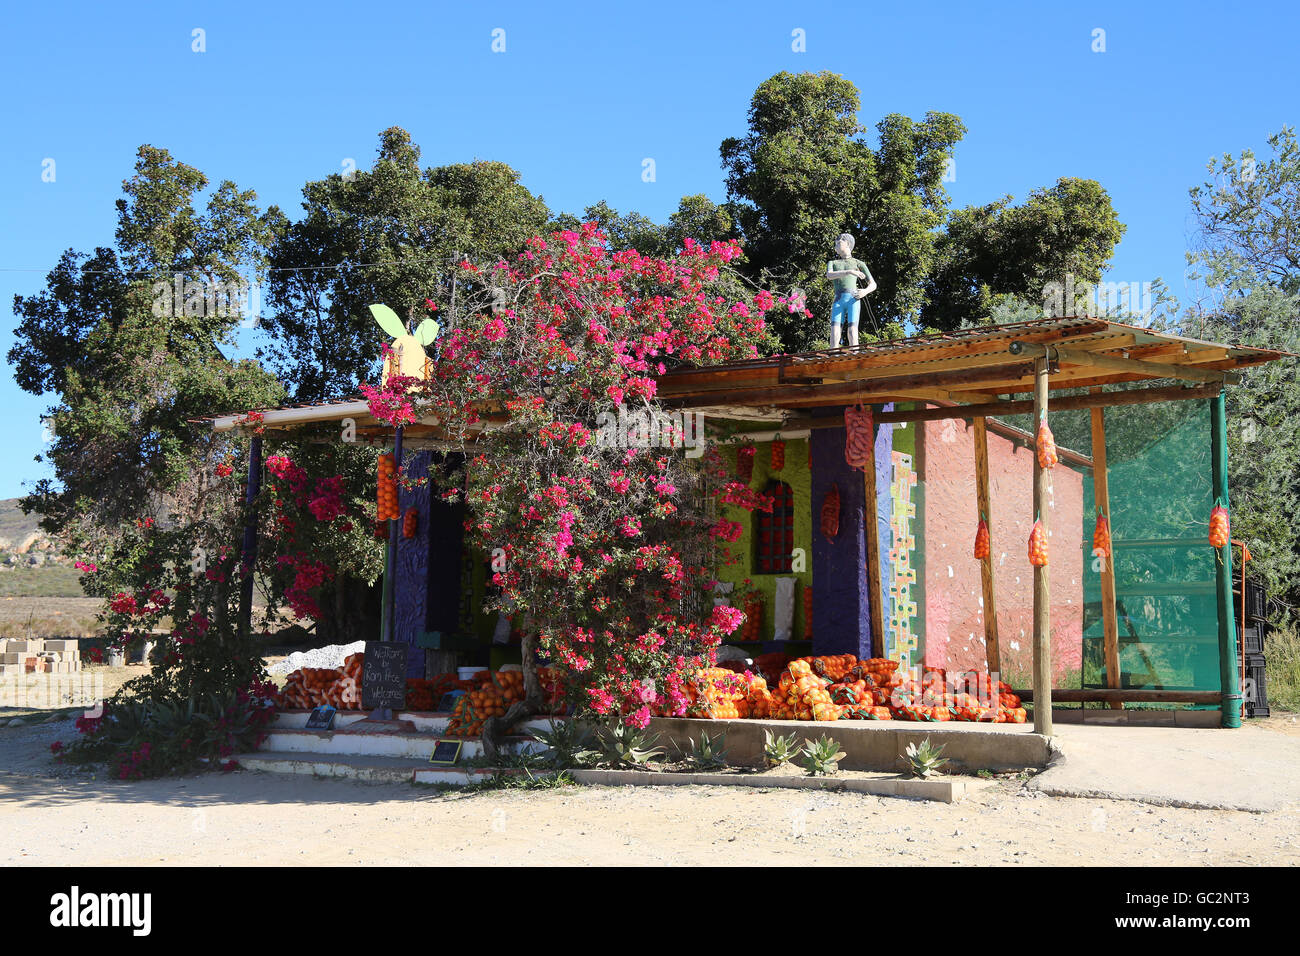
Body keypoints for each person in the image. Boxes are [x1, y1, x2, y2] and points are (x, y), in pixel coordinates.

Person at [825, 233, 876, 348]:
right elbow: (829, 275)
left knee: (853, 328)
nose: (836, 246)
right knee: (835, 328)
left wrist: (865, 291)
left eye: (839, 243)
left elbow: (873, 284)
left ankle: (855, 353)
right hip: (838, 298)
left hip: (853, 297)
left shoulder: (858, 263)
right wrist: (849, 272)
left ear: (847, 244)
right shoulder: (833, 263)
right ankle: (834, 353)